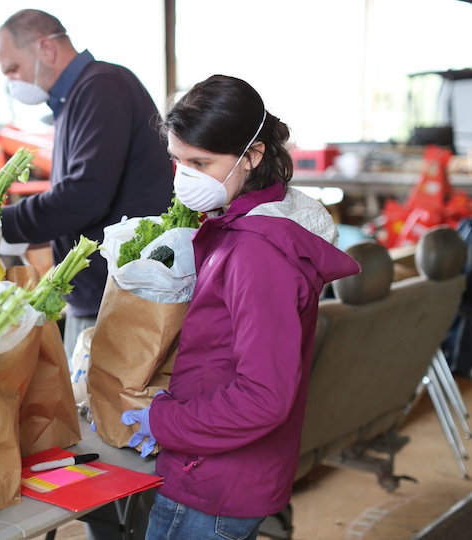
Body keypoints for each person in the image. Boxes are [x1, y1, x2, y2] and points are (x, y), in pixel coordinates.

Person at [119, 75, 361, 540]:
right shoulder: (248, 225)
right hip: (219, 467)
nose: (184, 176)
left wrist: (165, 421)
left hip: (211, 482)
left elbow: (264, 397)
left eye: (200, 162)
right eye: (177, 161)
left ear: (252, 156)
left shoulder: (257, 252)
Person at [0, 9, 175, 361]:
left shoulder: (101, 86)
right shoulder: (75, 98)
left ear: (46, 49)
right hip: (98, 293)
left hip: (119, 295)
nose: (12, 81)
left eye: (12, 69)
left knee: (101, 410)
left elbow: (85, 194)